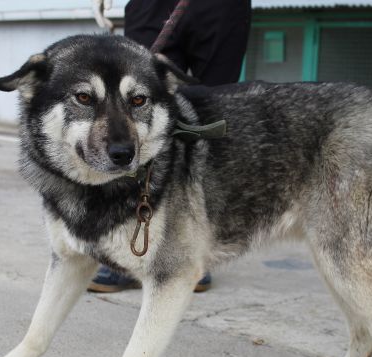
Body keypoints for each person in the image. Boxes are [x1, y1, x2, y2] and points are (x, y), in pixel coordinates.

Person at [88, 0, 251, 293]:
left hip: (223, 7)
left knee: (212, 117)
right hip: (151, 5)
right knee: (136, 113)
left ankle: (194, 255)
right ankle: (131, 248)